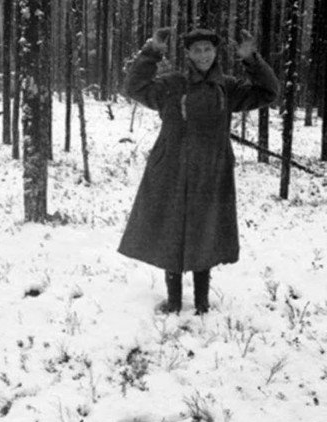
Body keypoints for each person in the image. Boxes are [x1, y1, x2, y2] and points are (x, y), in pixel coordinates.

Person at [119, 27, 279, 315]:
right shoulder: (172, 84)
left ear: (216, 53)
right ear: (188, 54)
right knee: (172, 229)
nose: (203, 55)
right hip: (171, 169)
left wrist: (252, 59)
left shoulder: (227, 88)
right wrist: (151, 53)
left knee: (205, 230)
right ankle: (175, 301)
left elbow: (268, 92)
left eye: (208, 49)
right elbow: (134, 88)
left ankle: (203, 303)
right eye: (197, 50)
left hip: (211, 171)